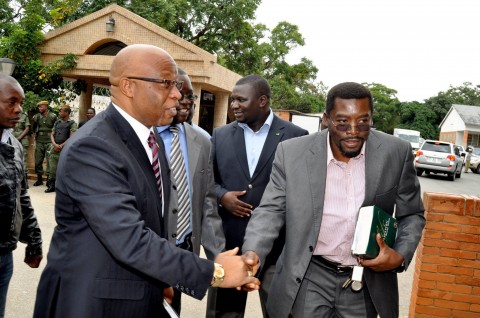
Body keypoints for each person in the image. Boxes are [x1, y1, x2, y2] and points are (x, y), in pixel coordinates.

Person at [33, 44, 259, 318]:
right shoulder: (93, 147)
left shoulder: (151, 142)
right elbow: (130, 239)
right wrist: (216, 272)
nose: (177, 94)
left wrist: (161, 279)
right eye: (167, 84)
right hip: (94, 303)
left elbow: (154, 223)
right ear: (128, 86)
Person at [242, 82, 426, 318]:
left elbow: (411, 214)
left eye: (363, 121)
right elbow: (270, 210)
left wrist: (399, 255)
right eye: (342, 121)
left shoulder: (395, 152)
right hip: (310, 276)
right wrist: (254, 251)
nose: (353, 130)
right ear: (326, 119)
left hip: (364, 281)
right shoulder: (292, 153)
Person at [207, 74, 308, 318]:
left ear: (262, 100)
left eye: (241, 100)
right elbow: (209, 182)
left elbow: (303, 190)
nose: (234, 105)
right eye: (232, 100)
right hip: (229, 247)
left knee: (282, 313)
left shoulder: (296, 136)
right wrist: (222, 196)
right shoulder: (220, 136)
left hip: (277, 251)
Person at [156, 68, 225, 314]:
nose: (185, 101)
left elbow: (207, 203)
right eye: (179, 94)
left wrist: (220, 258)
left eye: (190, 96)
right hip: (149, 252)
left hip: (184, 251)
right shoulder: (144, 136)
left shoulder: (203, 141)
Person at [0, 74, 43, 318]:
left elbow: (21, 197)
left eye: (21, 103)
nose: (18, 110)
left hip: (4, 256)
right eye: (11, 102)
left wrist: (34, 241)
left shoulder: (14, 146)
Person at [45, 104, 77, 193]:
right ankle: (51, 186)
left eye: (61, 111)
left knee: (65, 168)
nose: (59, 112)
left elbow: (72, 137)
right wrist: (55, 144)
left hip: (65, 149)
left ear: (67, 112)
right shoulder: (57, 122)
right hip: (55, 148)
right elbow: (52, 134)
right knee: (52, 168)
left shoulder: (72, 123)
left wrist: (61, 145)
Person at [32, 100, 57, 187]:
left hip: (49, 141)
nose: (39, 108)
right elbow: (34, 127)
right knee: (38, 161)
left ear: (46, 107)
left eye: (41, 106)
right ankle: (39, 180)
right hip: (39, 141)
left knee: (50, 161)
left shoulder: (53, 116)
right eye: (39, 107)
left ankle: (49, 181)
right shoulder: (37, 117)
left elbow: (56, 129)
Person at [13, 111, 31, 177]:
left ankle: (24, 179)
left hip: (23, 139)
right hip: (12, 138)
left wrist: (19, 137)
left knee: (24, 158)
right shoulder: (11, 114)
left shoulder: (24, 115)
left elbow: (27, 128)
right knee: (13, 157)